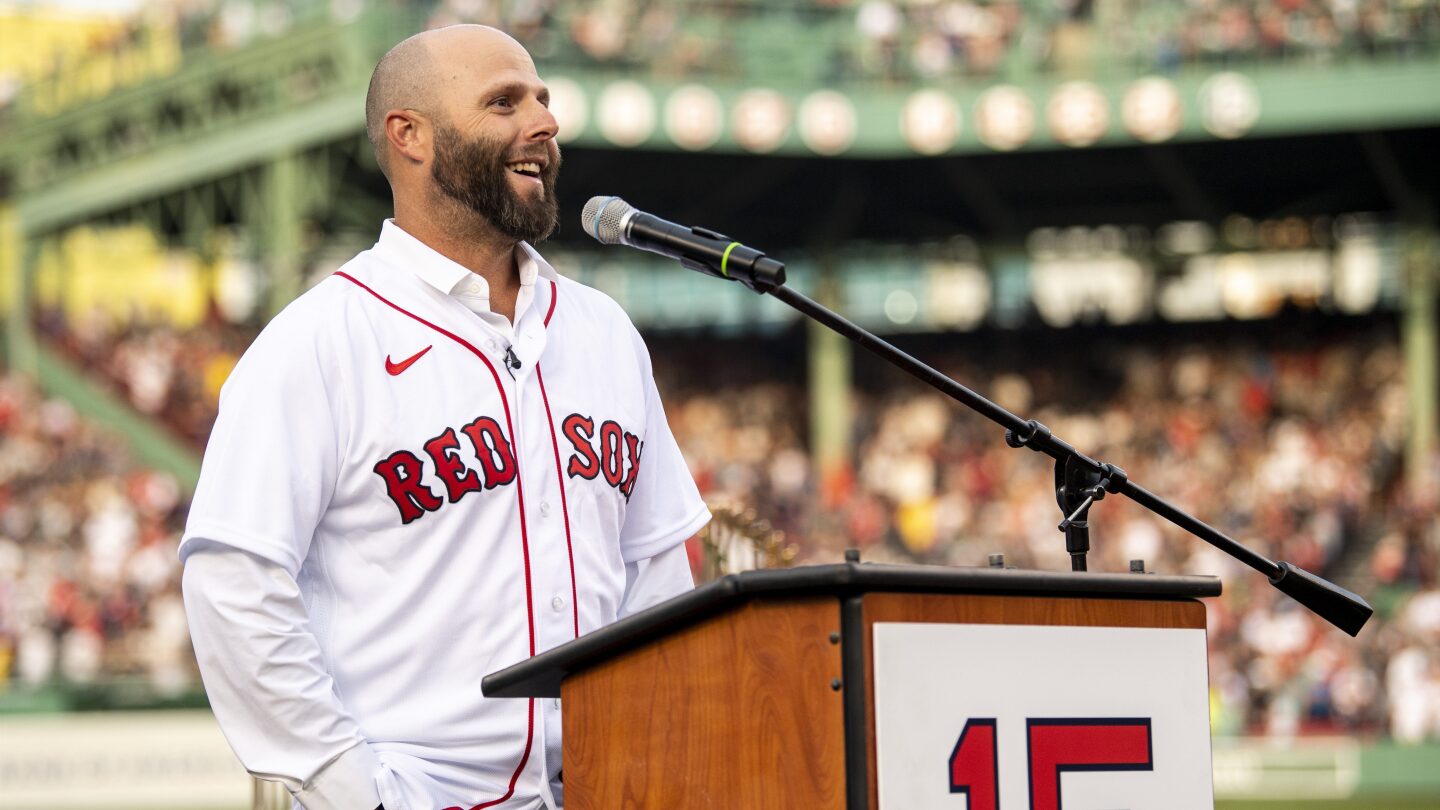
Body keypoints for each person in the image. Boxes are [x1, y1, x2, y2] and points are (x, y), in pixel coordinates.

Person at [180, 25, 709, 810]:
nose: (544, 123)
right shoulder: (319, 341)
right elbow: (233, 583)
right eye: (504, 102)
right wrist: (354, 790)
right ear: (409, 135)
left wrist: (636, 763)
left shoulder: (603, 333)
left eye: (543, 100)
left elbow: (658, 568)